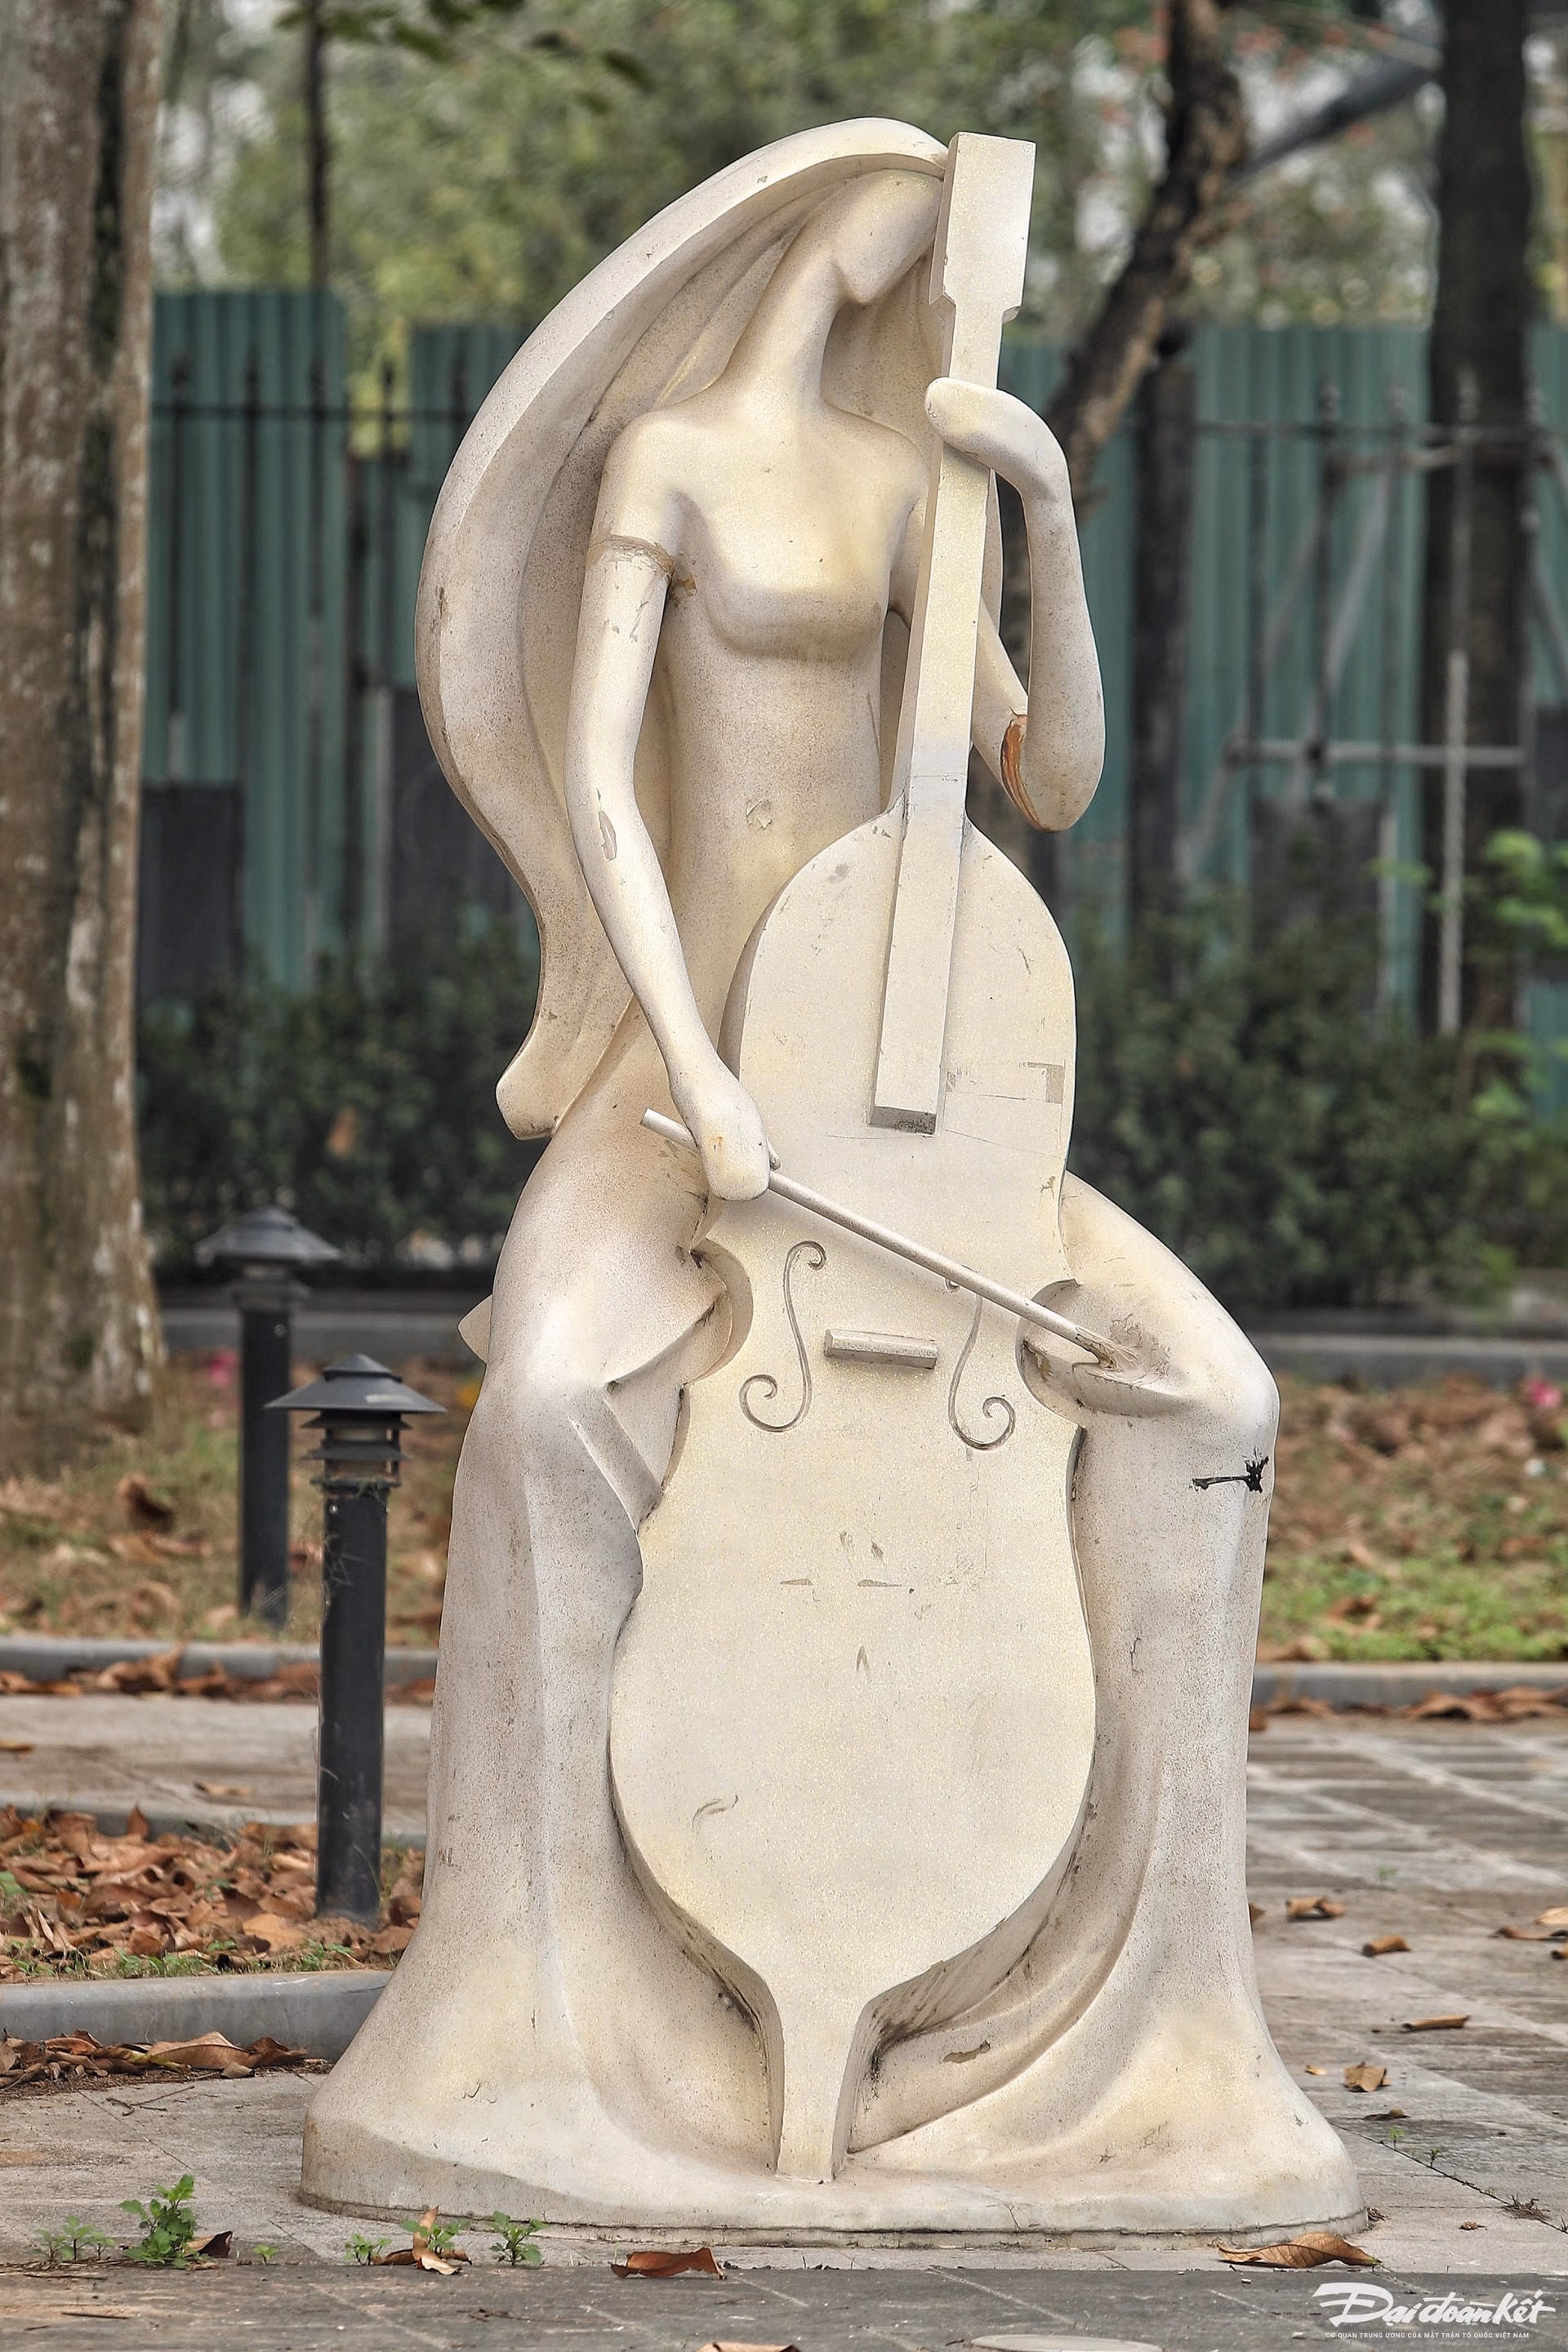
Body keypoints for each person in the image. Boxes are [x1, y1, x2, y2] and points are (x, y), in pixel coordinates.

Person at [304, 122, 1356, 2238]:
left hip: (917, 1128)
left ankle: (1152, 2039)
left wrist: (1045, 515)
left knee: (1213, 1400)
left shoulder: (913, 498)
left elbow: (1049, 779)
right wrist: (695, 1069)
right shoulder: (674, 458)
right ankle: (529, 2024)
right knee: (546, 1408)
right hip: (687, 1087)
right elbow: (602, 782)